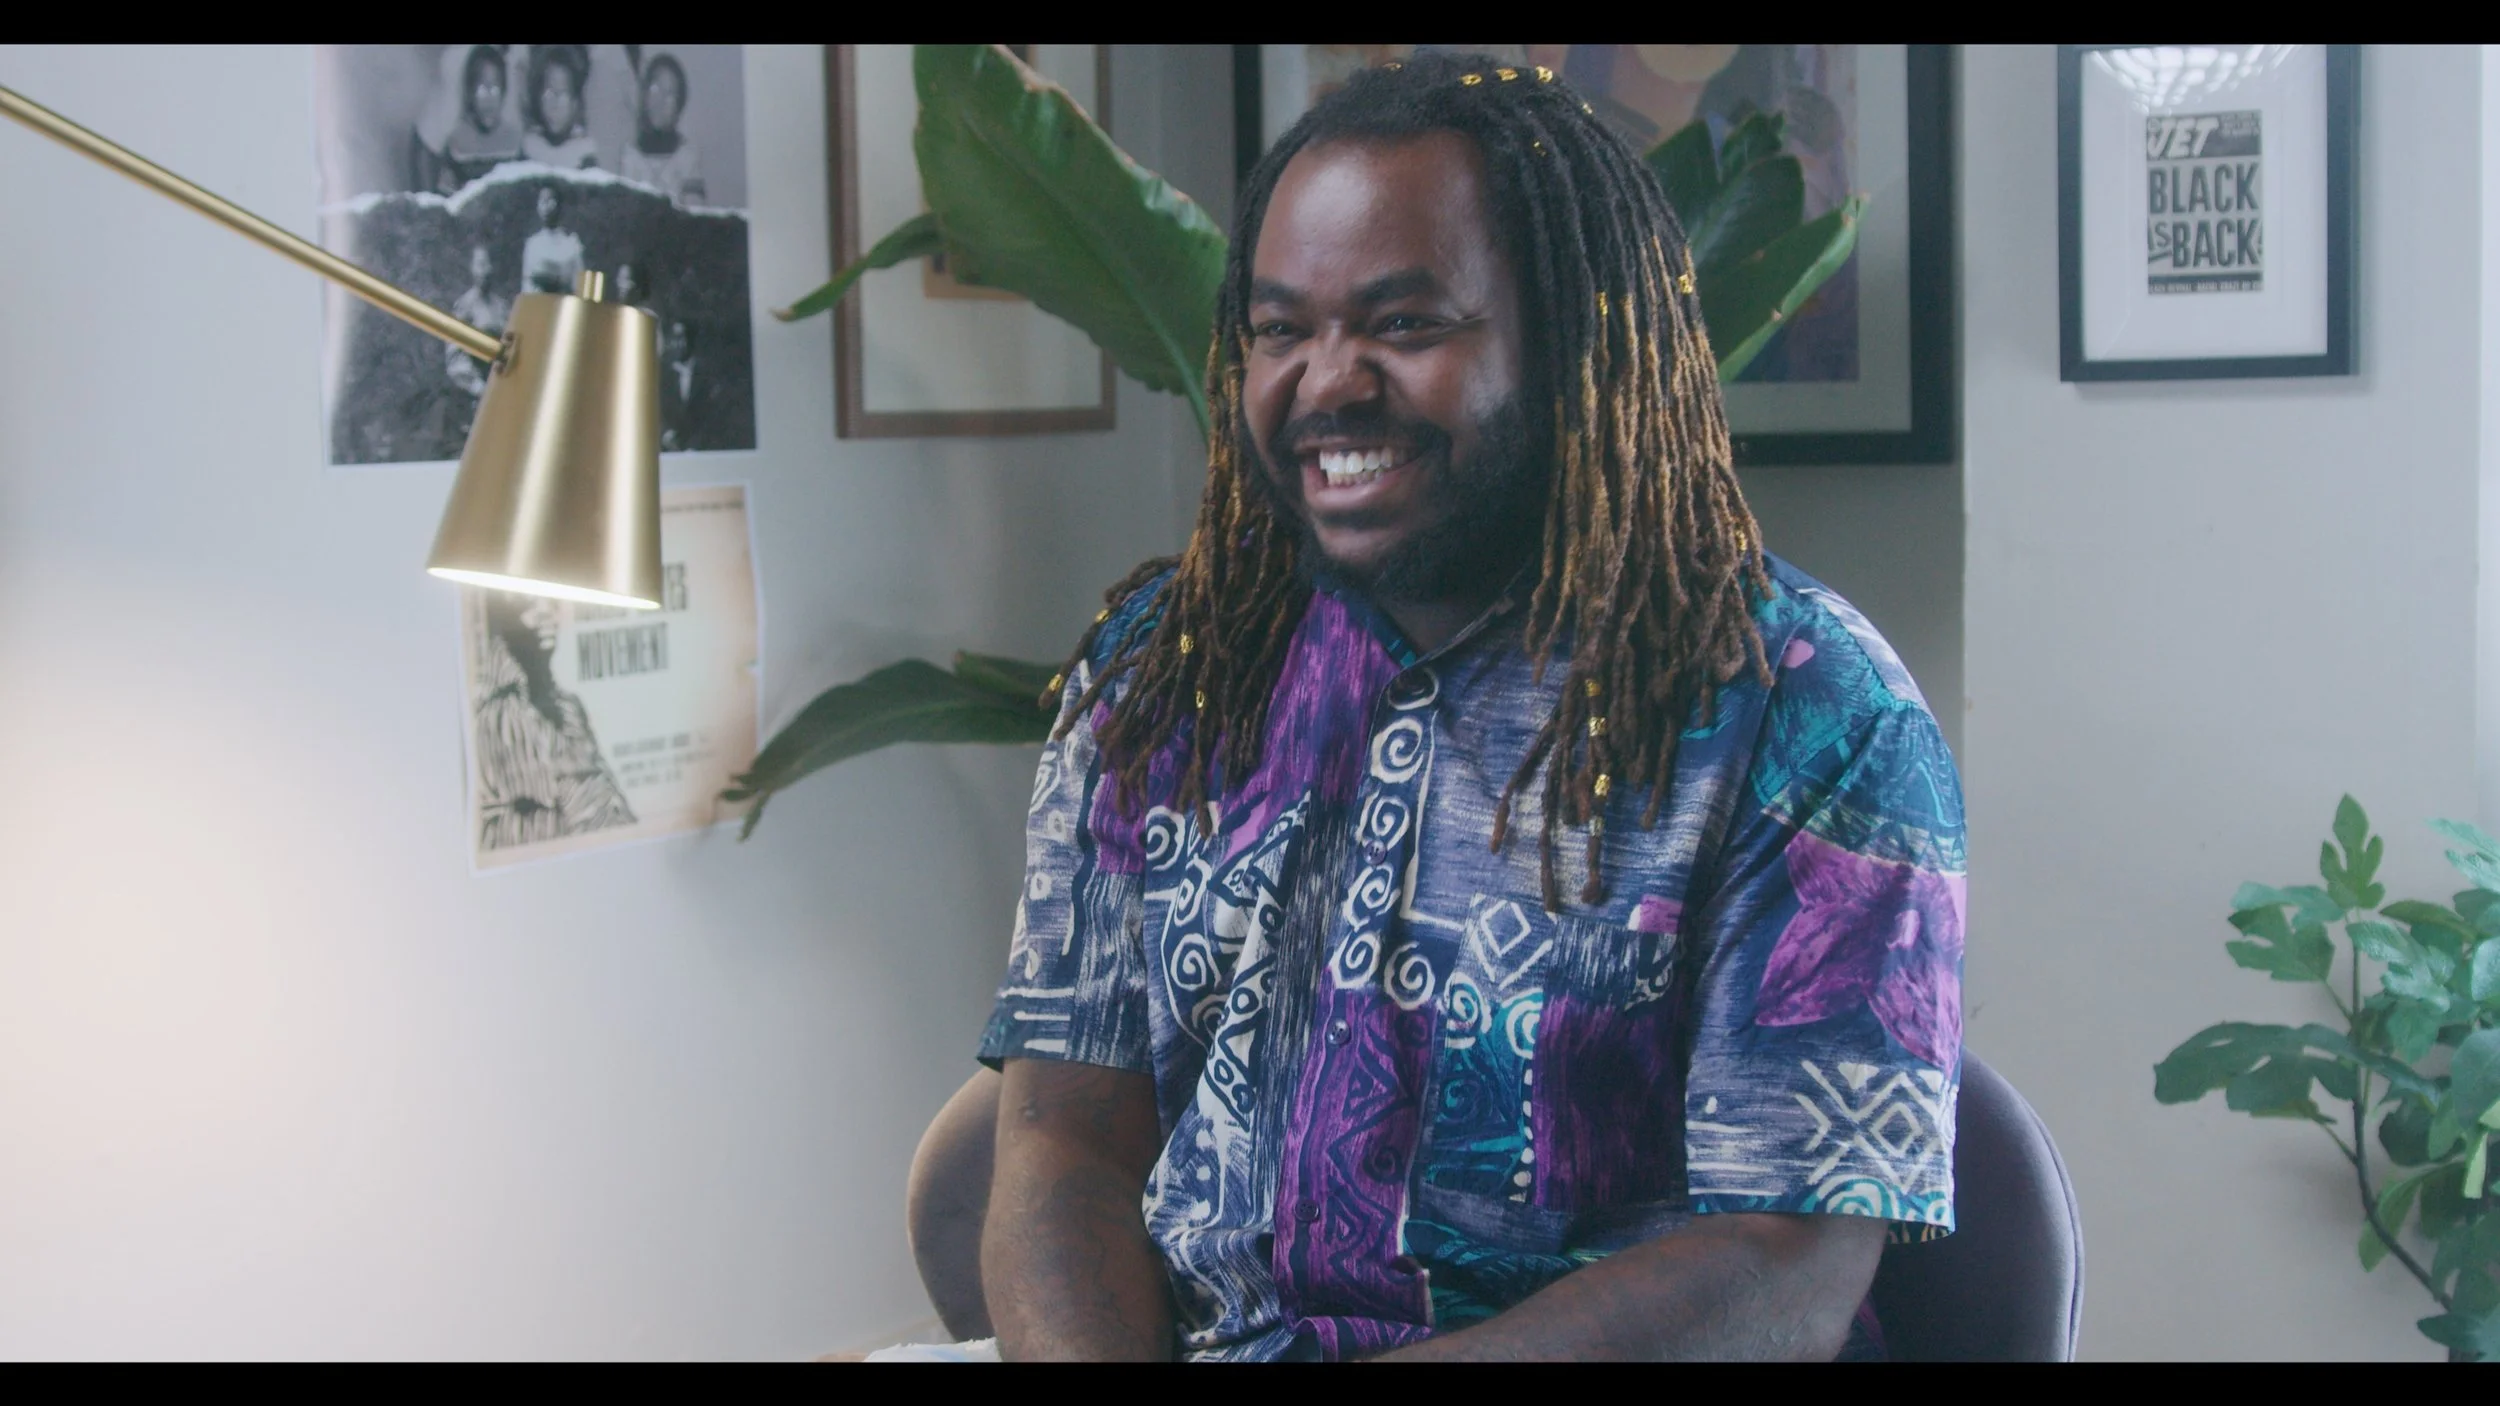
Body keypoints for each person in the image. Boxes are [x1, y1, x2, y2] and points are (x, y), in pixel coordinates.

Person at [927, 53, 1966, 1362]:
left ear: (1573, 344)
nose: (1325, 381)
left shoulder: (1811, 709)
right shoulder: (1160, 675)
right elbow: (1064, 1139)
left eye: (1404, 324)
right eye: (1280, 329)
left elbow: (1785, 1268)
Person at [470, 590, 635, 852]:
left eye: (552, 602)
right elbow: (556, 805)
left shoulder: (570, 707)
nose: (546, 612)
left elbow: (609, 796)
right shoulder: (497, 714)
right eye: (530, 604)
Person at [422, 45, 524, 194]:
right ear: (469, 93)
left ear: (504, 92)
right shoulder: (455, 145)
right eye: (482, 89)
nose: (489, 98)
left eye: (495, 89)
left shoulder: (514, 144)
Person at [622, 53, 706, 205]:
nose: (660, 101)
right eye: (655, 89)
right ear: (644, 94)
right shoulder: (629, 155)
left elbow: (695, 212)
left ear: (679, 104)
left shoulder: (688, 156)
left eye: (670, 94)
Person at [445, 243, 510, 399]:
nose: (485, 271)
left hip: (504, 388)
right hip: (477, 394)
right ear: (472, 268)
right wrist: (478, 387)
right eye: (480, 265)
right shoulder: (464, 306)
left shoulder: (503, 307)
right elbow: (455, 356)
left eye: (488, 265)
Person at [521, 45, 600, 171]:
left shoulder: (585, 152)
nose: (555, 104)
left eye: (562, 94)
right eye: (549, 93)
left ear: (575, 103)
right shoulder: (529, 148)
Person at [520, 184, 584, 295]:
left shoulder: (571, 243)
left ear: (559, 206)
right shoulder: (532, 244)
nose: (546, 207)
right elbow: (526, 285)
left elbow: (578, 284)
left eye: (550, 201)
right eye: (542, 202)